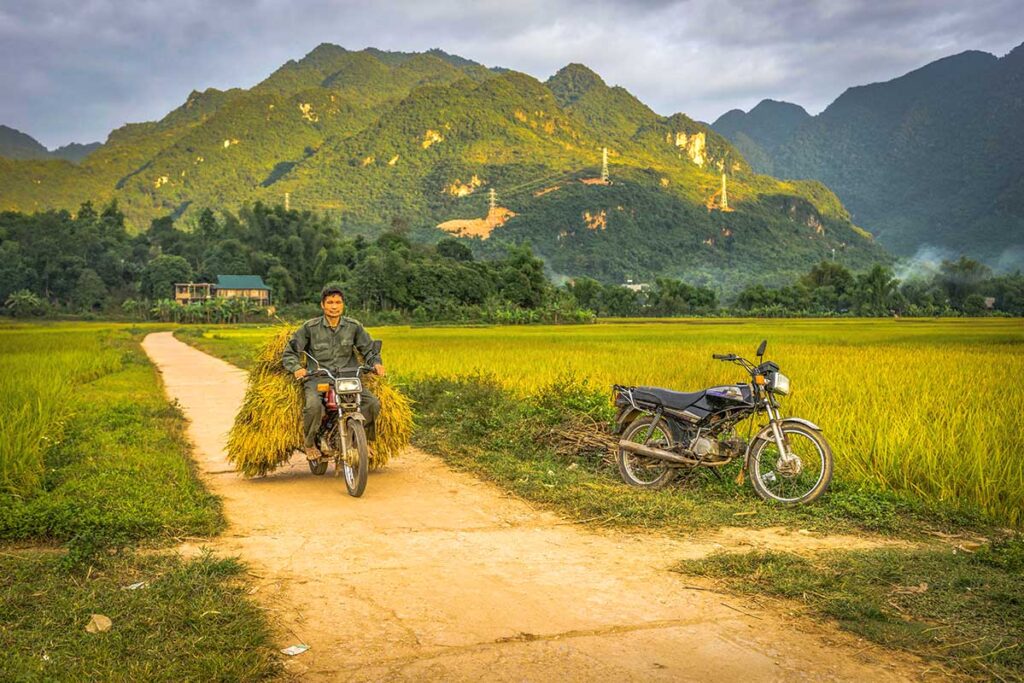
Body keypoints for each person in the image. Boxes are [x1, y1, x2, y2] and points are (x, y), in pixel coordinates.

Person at [282, 283, 385, 461]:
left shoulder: (354, 326)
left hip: (348, 377)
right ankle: (309, 443)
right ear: (322, 305)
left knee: (372, 403)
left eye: (338, 302)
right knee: (313, 406)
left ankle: (363, 440)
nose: (334, 306)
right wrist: (297, 368)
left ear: (343, 304)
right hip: (319, 378)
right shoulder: (310, 327)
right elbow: (290, 352)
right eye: (330, 302)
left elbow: (369, 350)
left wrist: (376, 363)